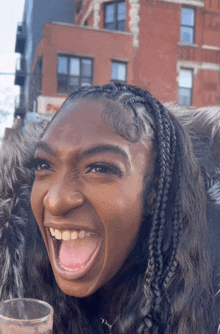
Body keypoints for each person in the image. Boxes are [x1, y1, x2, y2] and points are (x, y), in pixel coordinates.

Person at [0, 82, 216, 333]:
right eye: (44, 165)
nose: (55, 201)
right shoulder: (17, 283)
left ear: (154, 189)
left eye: (99, 168)